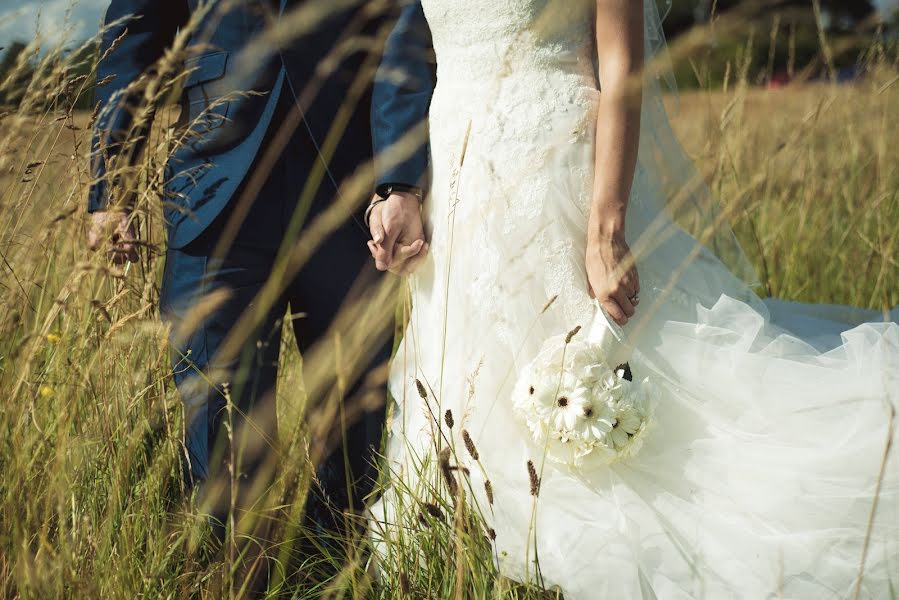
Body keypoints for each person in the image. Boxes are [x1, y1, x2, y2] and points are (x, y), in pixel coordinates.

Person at [367, 0, 899, 597]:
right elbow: (416, 49)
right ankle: (477, 551)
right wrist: (400, 191)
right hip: (456, 183)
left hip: (557, 174)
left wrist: (606, 226)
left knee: (594, 378)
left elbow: (623, 69)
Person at [85, 0, 394, 578]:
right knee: (217, 407)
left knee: (357, 410)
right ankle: (229, 576)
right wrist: (113, 185)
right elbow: (134, 36)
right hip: (214, 188)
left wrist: (402, 178)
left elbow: (406, 25)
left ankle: (330, 572)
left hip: (353, 182)